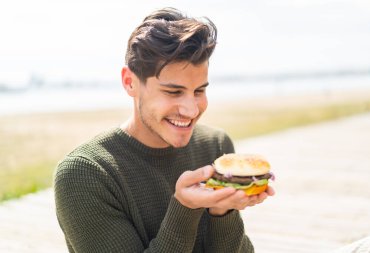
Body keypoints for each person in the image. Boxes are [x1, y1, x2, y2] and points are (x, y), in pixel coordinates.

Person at [54, 7, 274, 253]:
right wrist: (185, 208)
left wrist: (222, 211)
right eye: (173, 92)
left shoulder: (217, 146)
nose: (192, 110)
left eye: (199, 90)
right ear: (130, 82)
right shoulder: (86, 174)